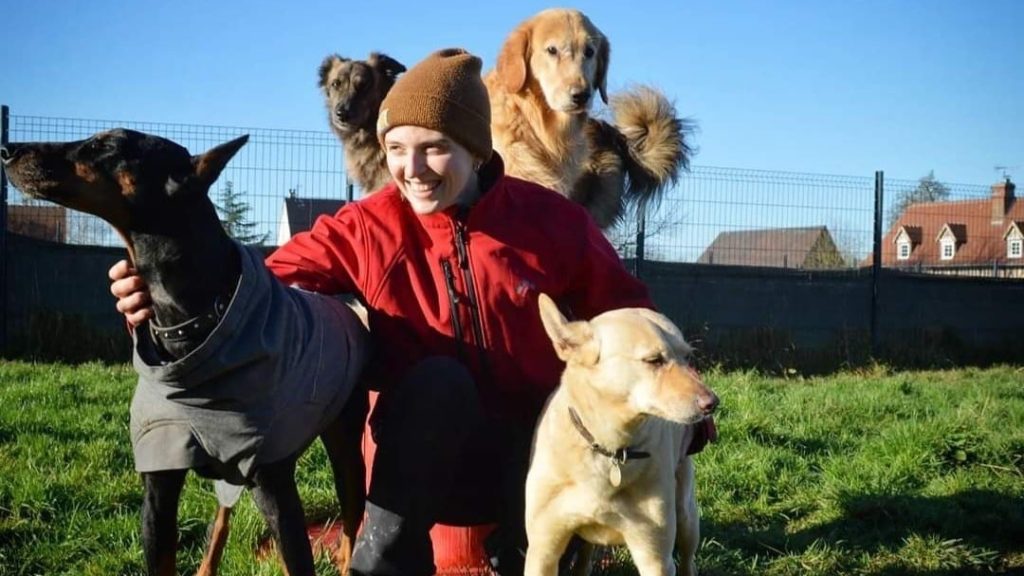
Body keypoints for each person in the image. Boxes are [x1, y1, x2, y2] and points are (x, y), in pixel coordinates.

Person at [109, 48, 654, 576]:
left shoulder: (550, 223)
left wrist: (678, 424)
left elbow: (631, 315)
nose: (411, 169)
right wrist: (162, 287)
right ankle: (383, 563)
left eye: (434, 148)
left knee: (548, 415)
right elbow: (264, 282)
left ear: (477, 151)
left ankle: (524, 552)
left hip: (533, 457)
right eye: (395, 148)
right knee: (438, 381)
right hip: (415, 460)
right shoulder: (371, 225)